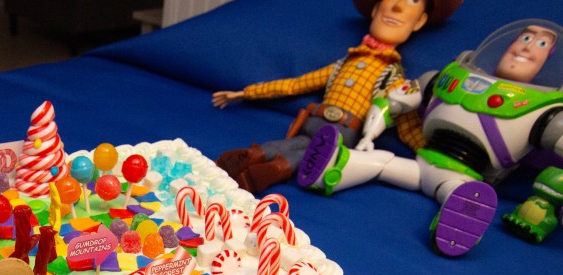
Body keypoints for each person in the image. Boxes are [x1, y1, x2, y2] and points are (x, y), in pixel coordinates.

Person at [298, 21, 563, 256]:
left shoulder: (545, 109)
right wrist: (370, 133)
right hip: (421, 160)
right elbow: (396, 100)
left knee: (457, 193)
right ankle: (336, 165)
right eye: (525, 38)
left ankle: (461, 217)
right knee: (381, 160)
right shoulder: (448, 77)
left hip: (463, 176)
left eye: (540, 44)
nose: (526, 48)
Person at [212, 0, 461, 194]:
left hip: (341, 132)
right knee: (295, 145)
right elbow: (296, 85)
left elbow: (406, 124)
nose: (397, 6)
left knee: (311, 152)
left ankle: (269, 168)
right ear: (376, 8)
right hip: (314, 119)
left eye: (412, 1)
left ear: (420, 21)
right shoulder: (342, 64)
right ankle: (253, 158)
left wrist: (434, 158)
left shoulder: (392, 80)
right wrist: (246, 92)